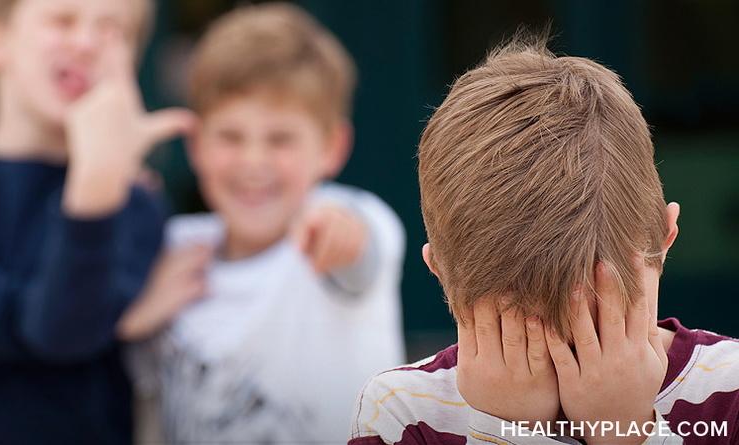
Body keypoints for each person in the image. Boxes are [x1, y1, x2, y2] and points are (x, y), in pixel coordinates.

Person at [349, 36, 739, 445]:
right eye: (525, 332)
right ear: (441, 274)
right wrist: (507, 432)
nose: (575, 371)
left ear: (664, 240)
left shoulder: (728, 391)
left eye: (597, 326)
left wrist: (627, 433)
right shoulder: (401, 412)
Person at [119, 3, 407, 444]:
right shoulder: (175, 248)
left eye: (280, 139)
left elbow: (361, 248)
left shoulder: (345, 215)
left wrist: (341, 234)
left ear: (332, 147)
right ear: (196, 145)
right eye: (231, 137)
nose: (253, 162)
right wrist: (131, 318)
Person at [0, 0, 195, 443]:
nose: (84, 43)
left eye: (112, 29)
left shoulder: (136, 205)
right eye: (63, 20)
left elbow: (64, 330)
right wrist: (115, 322)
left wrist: (96, 187)